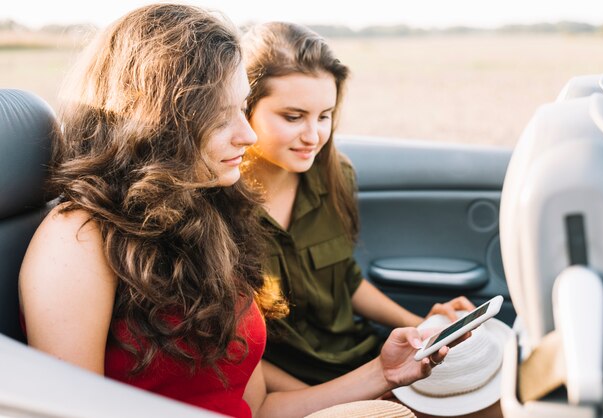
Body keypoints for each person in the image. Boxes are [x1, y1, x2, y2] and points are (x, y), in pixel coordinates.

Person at [18, 4, 464, 418]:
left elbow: (259, 407)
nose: (247, 136)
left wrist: (384, 374)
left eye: (242, 109)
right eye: (221, 117)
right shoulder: (78, 238)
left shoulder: (212, 216)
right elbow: (69, 410)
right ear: (158, 121)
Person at [240, 21, 476, 391]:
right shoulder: (216, 209)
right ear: (244, 107)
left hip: (365, 357)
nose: (313, 135)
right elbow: (238, 355)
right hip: (299, 389)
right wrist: (320, 403)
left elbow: (345, 279)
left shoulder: (334, 177)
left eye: (324, 116)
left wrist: (421, 329)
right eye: (292, 117)